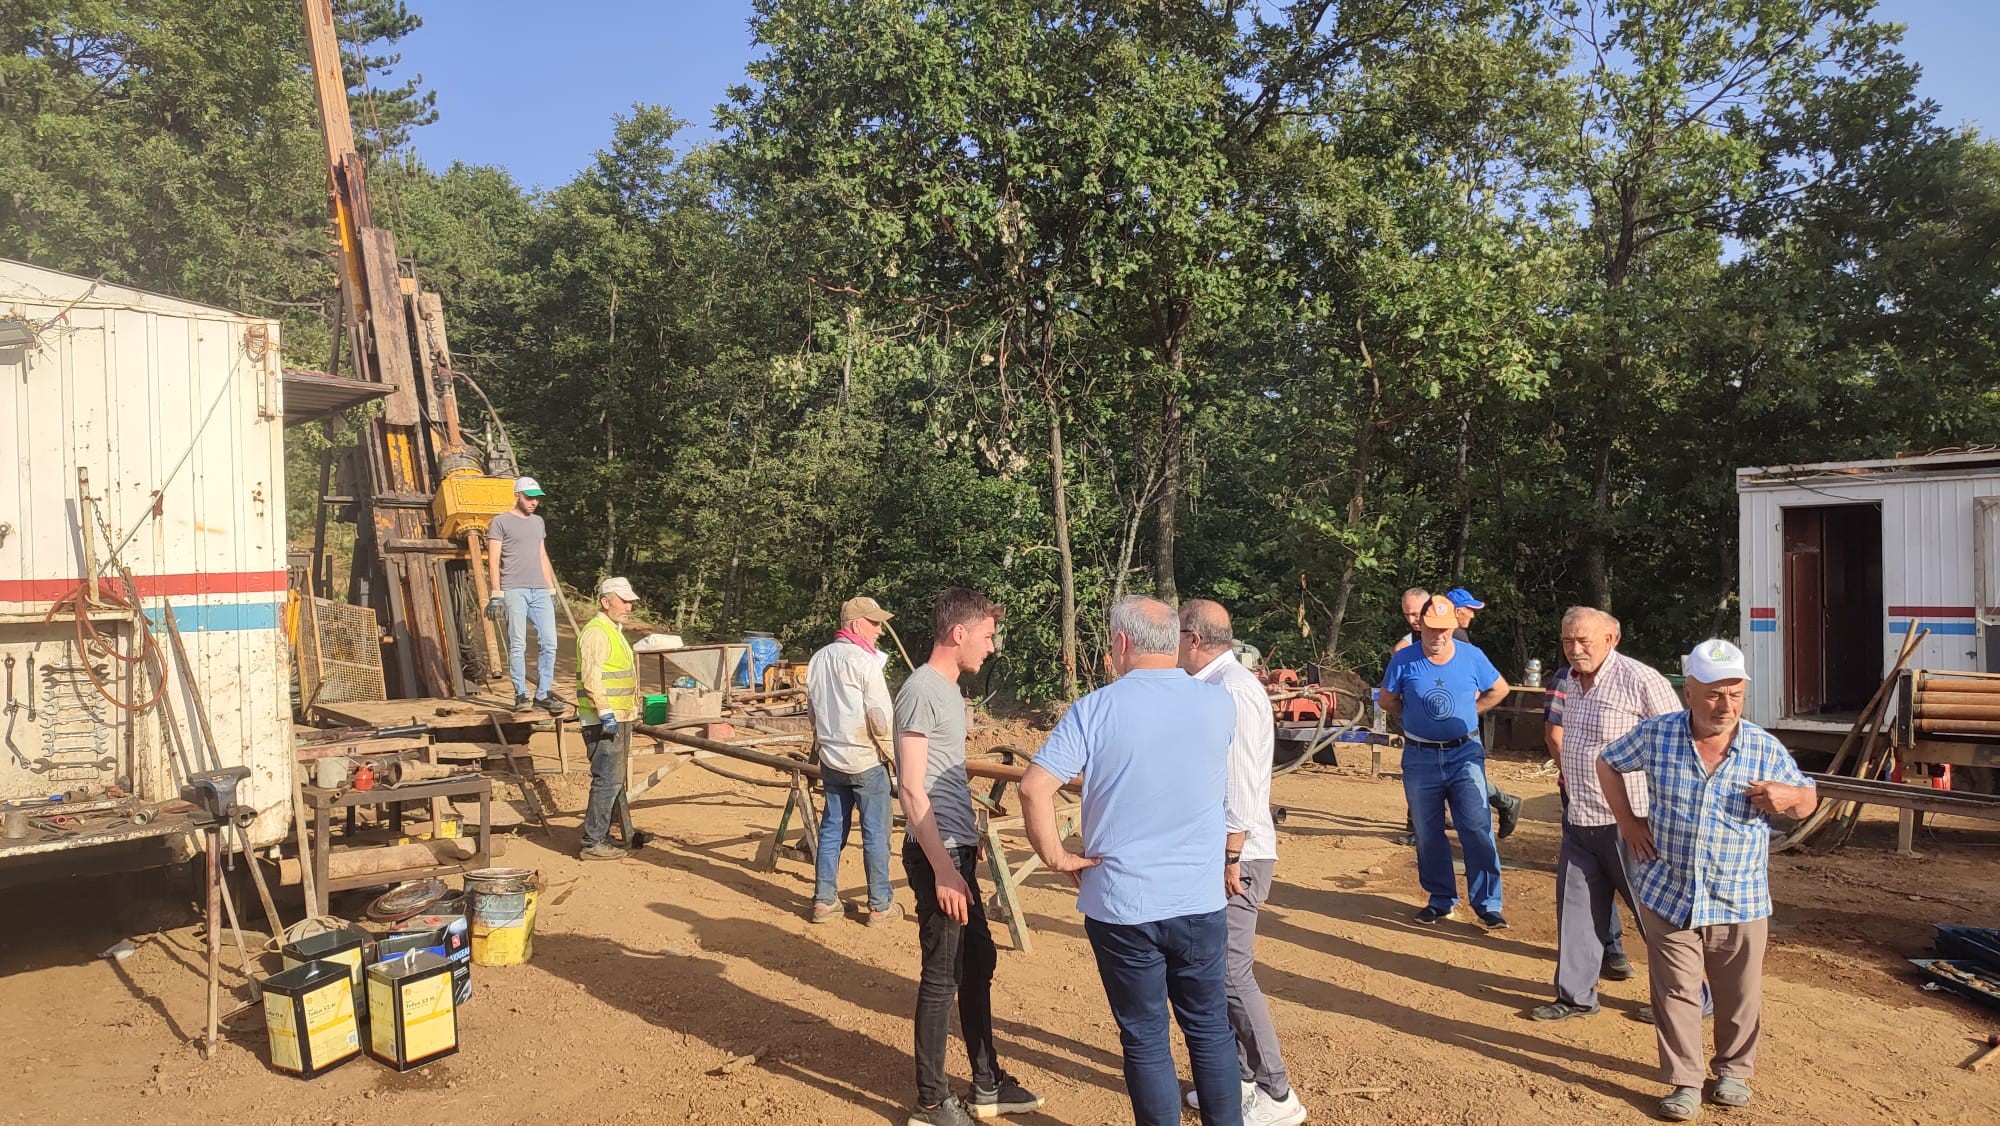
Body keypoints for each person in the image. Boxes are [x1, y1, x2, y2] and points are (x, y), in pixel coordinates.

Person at [1022, 596, 1242, 1126]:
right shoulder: (1219, 703)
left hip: (1123, 902)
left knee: (1144, 1035)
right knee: (1210, 1028)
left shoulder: (1096, 708)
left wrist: (1056, 857)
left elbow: (1034, 789)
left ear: (1121, 643)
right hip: (1198, 898)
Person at [1597, 639, 1818, 1122]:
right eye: (1715, 693)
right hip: (1667, 890)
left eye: (1735, 694)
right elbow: (1608, 762)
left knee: (1738, 992)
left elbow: (1808, 799)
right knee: (1675, 992)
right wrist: (1630, 823)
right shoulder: (1657, 735)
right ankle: (1685, 1082)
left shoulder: (1763, 746)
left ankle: (1734, 1070)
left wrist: (1789, 798)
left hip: (1738, 896)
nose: (1726, 705)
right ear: (1689, 691)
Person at [896, 588, 1042, 1125]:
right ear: (958, 634)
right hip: (938, 857)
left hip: (956, 847)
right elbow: (911, 788)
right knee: (942, 975)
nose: (993, 646)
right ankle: (931, 1102)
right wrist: (942, 869)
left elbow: (944, 774)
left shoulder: (949, 693)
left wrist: (966, 831)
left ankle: (986, 1082)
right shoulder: (921, 691)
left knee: (978, 960)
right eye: (987, 635)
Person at [1178, 600, 1307, 1126]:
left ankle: (1277, 1092)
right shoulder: (1213, 685)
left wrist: (1230, 855)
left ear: (1193, 637)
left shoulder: (1230, 690)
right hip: (1222, 851)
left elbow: (1239, 783)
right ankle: (1239, 1080)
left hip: (1238, 855)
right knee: (1214, 972)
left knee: (1231, 973)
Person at [1530, 608, 1680, 1023]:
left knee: (1654, 914)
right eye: (1567, 641)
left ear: (1611, 639)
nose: (1575, 650)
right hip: (1580, 817)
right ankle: (1575, 996)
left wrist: (1648, 818)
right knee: (1576, 910)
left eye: (1584, 641)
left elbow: (1676, 745)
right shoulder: (1569, 683)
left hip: (1631, 824)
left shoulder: (1641, 680)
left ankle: (1690, 996)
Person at [1379, 593, 1510, 927]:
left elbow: (1500, 689)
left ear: (1454, 626)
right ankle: (1440, 899)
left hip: (1464, 753)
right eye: (1432, 628)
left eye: (1446, 629)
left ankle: (1488, 904)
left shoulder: (1472, 657)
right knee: (1427, 831)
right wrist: (1413, 717)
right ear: (1419, 624)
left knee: (1477, 826)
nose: (1439, 636)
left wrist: (1472, 711)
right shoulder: (1404, 659)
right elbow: (1387, 699)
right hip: (1420, 756)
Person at [806, 595, 900, 926]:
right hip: (866, 761)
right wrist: (896, 759)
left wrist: (824, 743)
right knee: (876, 833)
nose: (879, 630)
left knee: (832, 828)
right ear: (857, 625)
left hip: (832, 759)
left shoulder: (818, 659)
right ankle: (879, 905)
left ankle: (824, 901)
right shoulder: (865, 662)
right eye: (874, 623)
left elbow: (812, 712)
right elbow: (879, 719)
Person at [1444, 587, 1525, 839]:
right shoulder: (1452, 634)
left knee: (1463, 773)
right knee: (1452, 771)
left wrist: (1467, 707)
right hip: (1451, 717)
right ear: (1457, 611)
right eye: (1470, 610)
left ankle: (1503, 803)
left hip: (1456, 719)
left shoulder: (1458, 638)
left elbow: (1485, 683)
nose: (1472, 615)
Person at [574, 577, 641, 861]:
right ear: (605, 602)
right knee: (607, 780)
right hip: (604, 720)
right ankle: (592, 842)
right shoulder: (596, 633)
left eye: (630, 602)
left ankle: (601, 832)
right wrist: (605, 712)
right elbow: (592, 677)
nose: (628, 606)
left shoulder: (614, 630)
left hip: (619, 716)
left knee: (614, 780)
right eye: (623, 601)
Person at [486, 476, 565, 714]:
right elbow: (493, 559)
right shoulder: (500, 522)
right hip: (514, 589)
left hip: (540, 589)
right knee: (518, 643)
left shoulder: (538, 522)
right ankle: (521, 694)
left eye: (537, 499)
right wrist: (496, 593)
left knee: (550, 642)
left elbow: (542, 555)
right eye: (529, 498)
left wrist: (551, 589)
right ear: (517, 495)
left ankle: (542, 694)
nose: (534, 502)